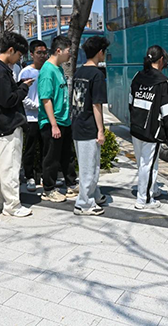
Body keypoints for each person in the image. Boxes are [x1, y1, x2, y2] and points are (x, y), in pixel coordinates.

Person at [0, 32, 33, 217]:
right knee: (10, 167)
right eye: (19, 55)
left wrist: (19, 85)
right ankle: (12, 205)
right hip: (9, 124)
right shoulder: (1, 71)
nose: (18, 59)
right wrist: (24, 88)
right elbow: (8, 100)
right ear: (11, 50)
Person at [129, 46, 168, 210]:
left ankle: (153, 189)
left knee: (143, 164)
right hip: (152, 131)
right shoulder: (163, 83)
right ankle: (144, 200)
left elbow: (130, 102)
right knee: (148, 164)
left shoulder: (137, 76)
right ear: (162, 59)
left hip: (137, 127)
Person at [71, 36, 110, 216]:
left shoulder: (79, 72)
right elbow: (96, 104)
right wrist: (101, 130)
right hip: (88, 126)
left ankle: (94, 194)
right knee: (90, 167)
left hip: (77, 124)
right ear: (100, 52)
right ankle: (84, 204)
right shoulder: (97, 75)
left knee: (88, 164)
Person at [38, 35, 78, 203]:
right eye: (69, 50)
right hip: (52, 122)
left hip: (64, 120)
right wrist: (53, 124)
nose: (70, 54)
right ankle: (48, 189)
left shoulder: (59, 69)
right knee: (51, 158)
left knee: (67, 155)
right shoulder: (47, 71)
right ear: (59, 50)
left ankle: (71, 184)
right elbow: (46, 99)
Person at [19, 40, 47, 192]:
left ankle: (43, 175)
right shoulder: (26, 72)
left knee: (45, 148)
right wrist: (38, 107)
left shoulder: (48, 70)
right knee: (30, 148)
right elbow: (22, 96)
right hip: (31, 118)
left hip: (46, 117)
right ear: (31, 54)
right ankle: (29, 176)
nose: (42, 56)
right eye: (39, 53)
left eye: (44, 53)